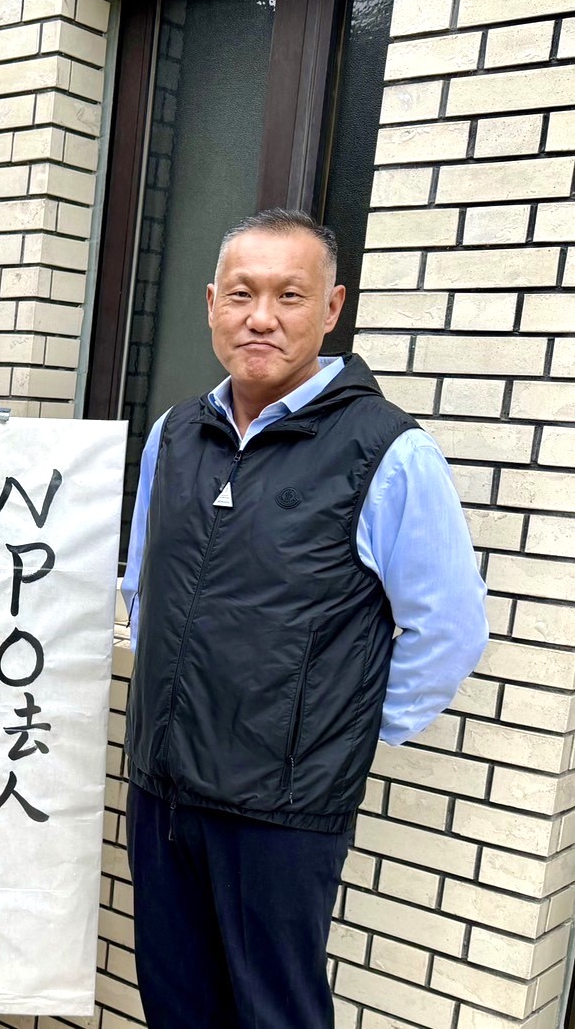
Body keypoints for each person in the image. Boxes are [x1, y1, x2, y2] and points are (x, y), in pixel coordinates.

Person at [121, 208, 487, 1027]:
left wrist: (333, 735)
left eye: (289, 295)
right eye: (241, 294)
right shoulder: (174, 435)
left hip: (280, 813)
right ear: (211, 303)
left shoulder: (385, 451)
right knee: (175, 1008)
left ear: (330, 309)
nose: (260, 317)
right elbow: (144, 587)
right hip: (162, 788)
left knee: (274, 1014)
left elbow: (448, 630)